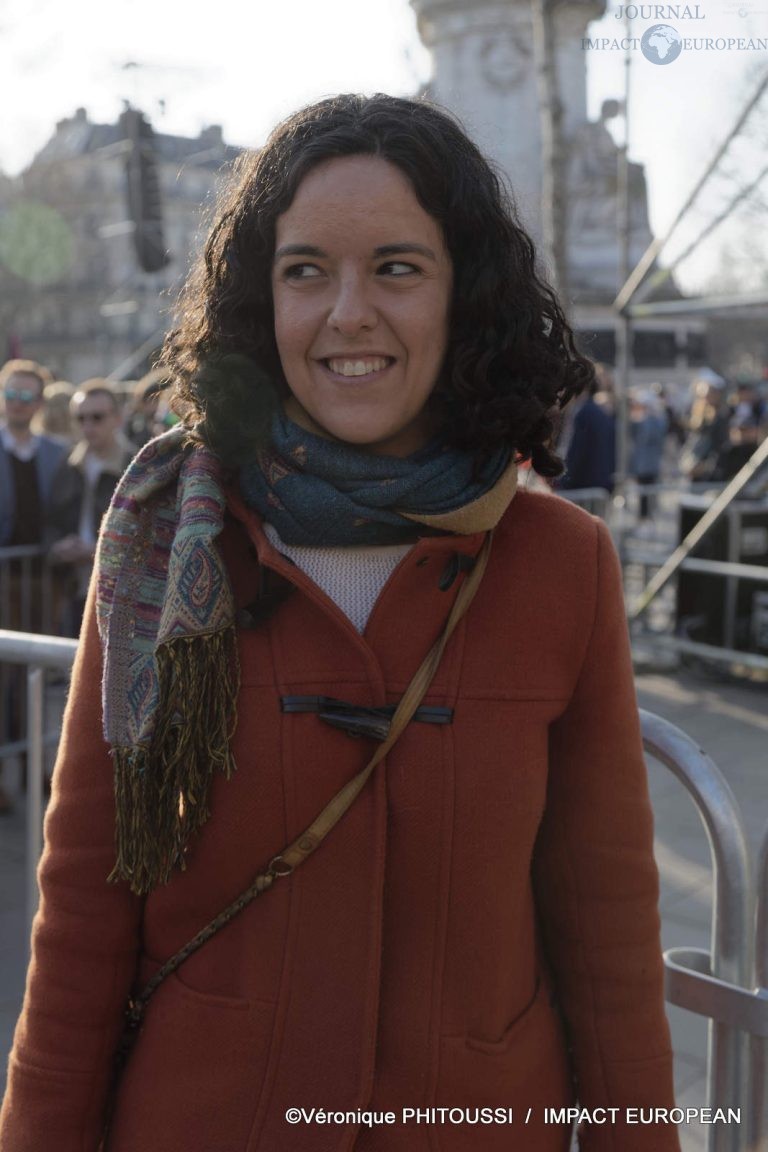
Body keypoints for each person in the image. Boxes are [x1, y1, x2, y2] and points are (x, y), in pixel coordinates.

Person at [0, 95, 680, 1152]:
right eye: (306, 270)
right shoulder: (166, 542)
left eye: (398, 269)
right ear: (258, 302)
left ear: (467, 298)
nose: (347, 312)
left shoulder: (564, 565)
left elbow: (609, 947)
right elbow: (85, 910)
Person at [0, 358, 67, 813]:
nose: (18, 403)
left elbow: (63, 511)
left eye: (27, 396)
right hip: (2, 577)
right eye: (11, 393)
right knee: (5, 678)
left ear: (39, 402)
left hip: (44, 579)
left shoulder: (56, 453)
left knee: (39, 676)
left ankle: (37, 766)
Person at [46, 379, 134, 635]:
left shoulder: (136, 466)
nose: (88, 426)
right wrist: (57, 547)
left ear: (117, 418)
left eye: (97, 417)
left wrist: (98, 550)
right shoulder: (69, 463)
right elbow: (51, 520)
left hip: (119, 593)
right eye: (80, 418)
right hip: (73, 587)